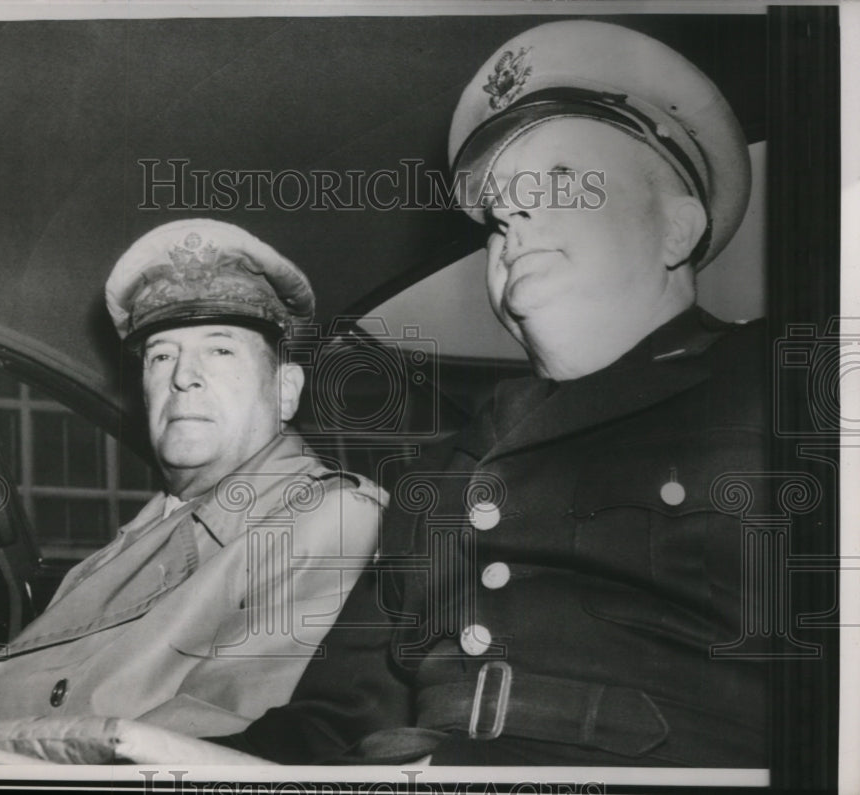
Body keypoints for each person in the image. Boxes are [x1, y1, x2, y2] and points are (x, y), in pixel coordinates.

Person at [206, 20, 768, 767]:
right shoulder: (433, 479)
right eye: (500, 211)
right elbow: (326, 727)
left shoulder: (777, 386)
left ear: (677, 228)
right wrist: (129, 760)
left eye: (563, 182)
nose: (510, 220)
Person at [0, 219, 386, 739]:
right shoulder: (134, 539)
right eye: (162, 355)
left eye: (220, 349)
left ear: (285, 391)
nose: (183, 376)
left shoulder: (333, 520)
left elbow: (225, 745)